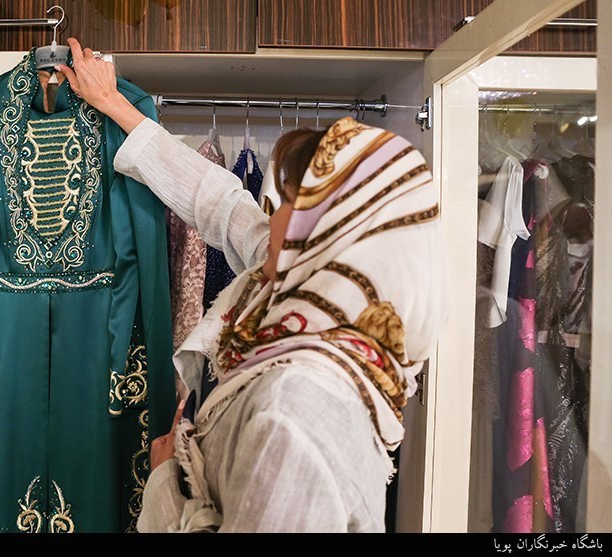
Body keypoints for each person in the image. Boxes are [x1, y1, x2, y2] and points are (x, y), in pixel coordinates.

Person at [55, 38, 448, 533]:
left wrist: (164, 483)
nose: (273, 215)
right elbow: (220, 203)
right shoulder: (305, 298)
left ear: (333, 231)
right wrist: (114, 105)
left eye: (290, 204)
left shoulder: (300, 409)